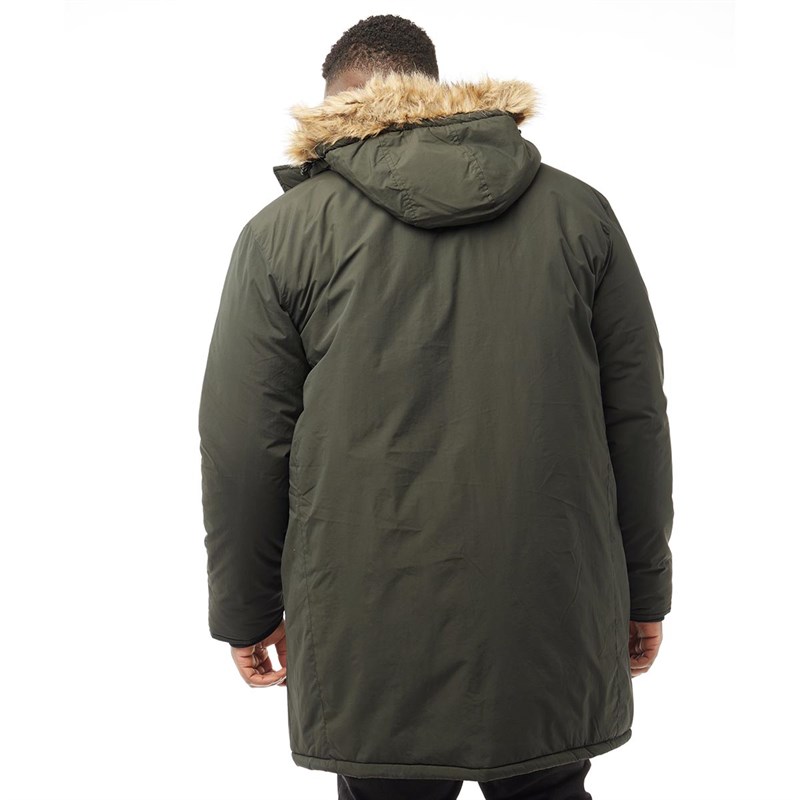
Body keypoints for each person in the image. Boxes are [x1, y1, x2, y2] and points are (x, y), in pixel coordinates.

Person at [198, 13, 673, 800]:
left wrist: (246, 611)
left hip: (368, 628)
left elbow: (243, 447)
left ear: (336, 105)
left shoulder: (282, 236)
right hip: (551, 615)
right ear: (431, 89)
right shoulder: (578, 214)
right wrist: (645, 589)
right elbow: (636, 421)